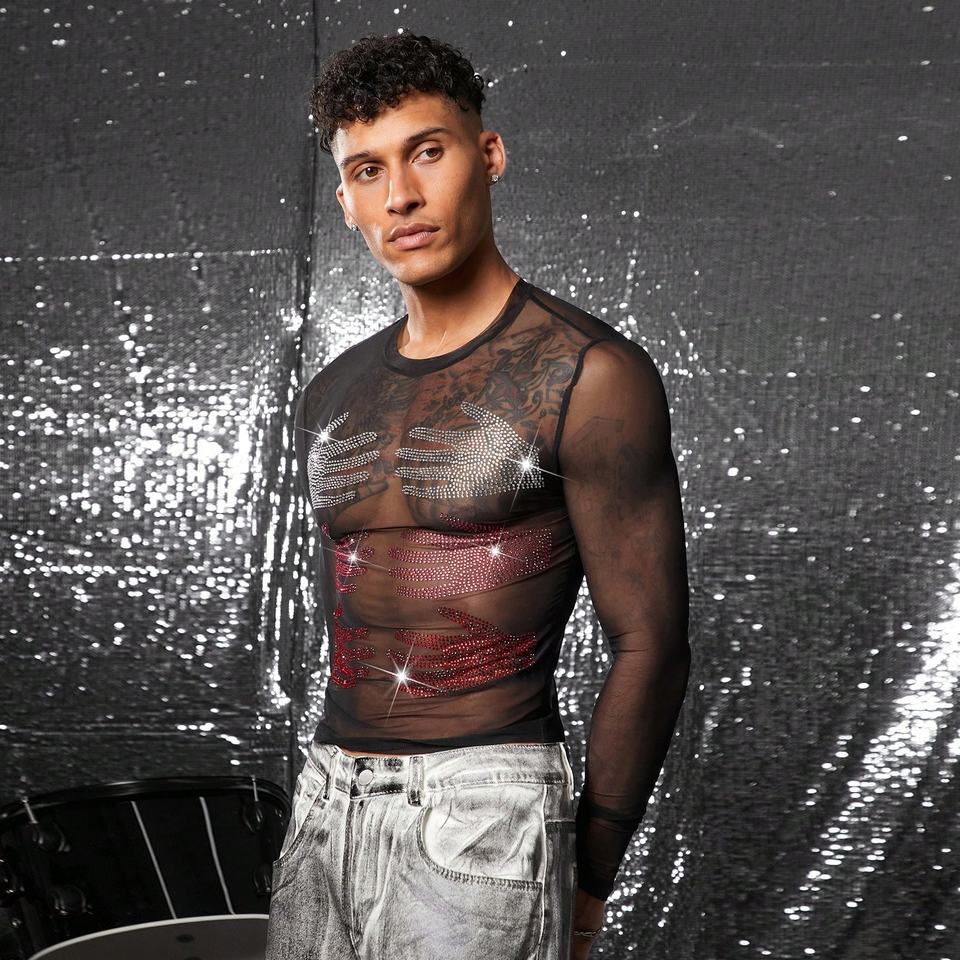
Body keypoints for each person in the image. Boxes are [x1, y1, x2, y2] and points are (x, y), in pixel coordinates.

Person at [264, 31, 691, 960]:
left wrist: (588, 882)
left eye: (427, 151)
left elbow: (651, 642)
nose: (401, 196)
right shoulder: (331, 393)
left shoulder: (589, 373)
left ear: (488, 155)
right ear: (345, 201)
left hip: (483, 812)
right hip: (326, 803)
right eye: (368, 170)